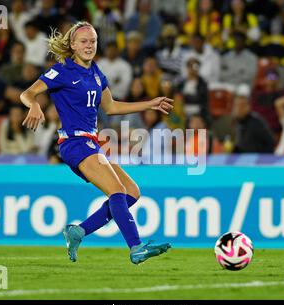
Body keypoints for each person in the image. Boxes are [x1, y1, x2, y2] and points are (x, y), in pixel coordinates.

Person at [19, 21, 173, 265]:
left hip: (91, 142)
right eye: (84, 41)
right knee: (117, 191)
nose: (89, 45)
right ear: (72, 44)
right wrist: (35, 104)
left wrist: (149, 103)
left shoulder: (95, 72)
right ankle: (136, 247)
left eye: (93, 41)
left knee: (131, 192)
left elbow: (111, 107)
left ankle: (78, 232)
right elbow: (27, 94)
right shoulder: (62, 70)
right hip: (74, 142)